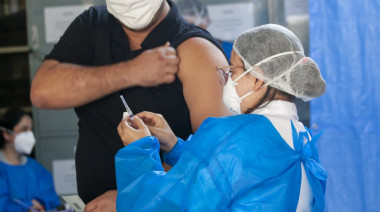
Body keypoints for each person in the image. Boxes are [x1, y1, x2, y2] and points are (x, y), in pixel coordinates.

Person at [30, 0, 230, 210]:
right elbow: (42, 92)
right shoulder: (92, 26)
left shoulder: (196, 50)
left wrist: (135, 197)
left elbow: (221, 168)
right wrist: (133, 71)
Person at [115, 24, 327, 211]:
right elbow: (228, 179)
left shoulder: (234, 136)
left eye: (232, 71)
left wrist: (138, 151)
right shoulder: (303, 140)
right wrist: (173, 146)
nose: (225, 81)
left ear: (257, 79)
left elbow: (160, 205)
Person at [0, 107, 60, 212]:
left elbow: (51, 197)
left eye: (30, 129)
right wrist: (27, 207)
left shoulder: (35, 168)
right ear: (6, 134)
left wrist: (40, 204)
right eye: (24, 129)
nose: (29, 134)